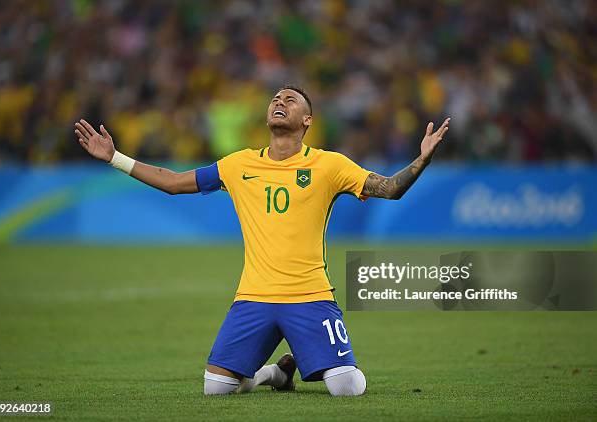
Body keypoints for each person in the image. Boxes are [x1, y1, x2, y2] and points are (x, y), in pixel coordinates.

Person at [74, 85, 450, 396]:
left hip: (310, 295)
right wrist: (115, 158)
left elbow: (388, 189)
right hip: (253, 296)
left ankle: (299, 361)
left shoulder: (330, 165)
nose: (278, 102)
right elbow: (173, 183)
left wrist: (421, 161)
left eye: (290, 99)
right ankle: (277, 373)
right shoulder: (238, 166)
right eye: (275, 98)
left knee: (347, 388)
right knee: (215, 389)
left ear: (307, 120)